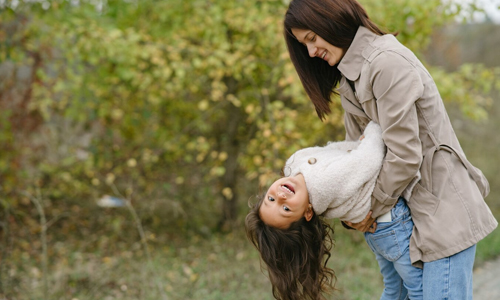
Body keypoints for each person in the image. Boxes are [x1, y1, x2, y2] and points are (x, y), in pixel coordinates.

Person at [279, 0, 498, 299]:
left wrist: (368, 210)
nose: (311, 52)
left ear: (331, 20)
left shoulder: (385, 63)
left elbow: (405, 154)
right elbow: (358, 159)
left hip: (441, 216)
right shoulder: (351, 80)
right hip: (406, 222)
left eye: (312, 39)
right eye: (304, 44)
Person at [246, 121, 424, 300]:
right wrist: (375, 126)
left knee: (395, 289)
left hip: (379, 231)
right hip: (391, 224)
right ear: (307, 213)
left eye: (271, 199)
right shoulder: (322, 184)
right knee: (419, 289)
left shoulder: (293, 166)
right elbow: (368, 159)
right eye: (285, 209)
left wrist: (357, 144)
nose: (281, 197)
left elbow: (333, 153)